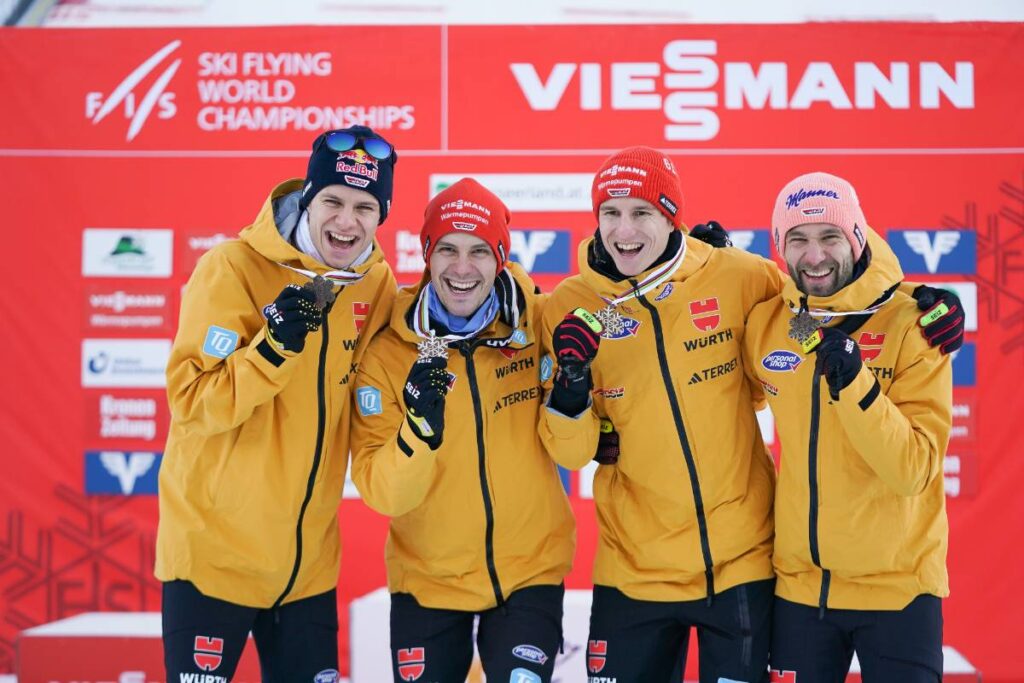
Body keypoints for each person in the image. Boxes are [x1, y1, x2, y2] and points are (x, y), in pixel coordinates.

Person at [539, 147, 966, 683]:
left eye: (643, 211)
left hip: (744, 563)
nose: (625, 229)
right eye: (611, 212)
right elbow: (570, 449)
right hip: (638, 569)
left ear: (672, 216)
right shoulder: (565, 306)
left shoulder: (742, 279)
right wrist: (576, 394)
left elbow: (842, 299)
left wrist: (927, 300)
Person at [155, 125, 398, 682]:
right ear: (308, 198)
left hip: (305, 569)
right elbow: (194, 402)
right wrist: (273, 347)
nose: (347, 221)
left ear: (381, 215)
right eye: (333, 201)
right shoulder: (233, 268)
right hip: (214, 558)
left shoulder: (374, 282)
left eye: (365, 207)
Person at [349, 178, 574, 683]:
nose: (462, 268)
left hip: (529, 574)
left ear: (500, 258)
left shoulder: (536, 323)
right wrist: (419, 434)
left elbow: (618, 319)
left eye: (479, 251)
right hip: (426, 582)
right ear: (426, 254)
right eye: (447, 249)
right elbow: (383, 492)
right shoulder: (388, 353)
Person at [743, 172, 951, 682]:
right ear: (780, 249)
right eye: (798, 240)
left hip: (898, 592)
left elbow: (912, 469)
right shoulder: (775, 323)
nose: (815, 256)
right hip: (801, 593)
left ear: (857, 238)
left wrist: (856, 384)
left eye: (829, 237)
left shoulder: (913, 323)